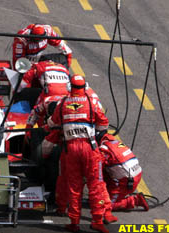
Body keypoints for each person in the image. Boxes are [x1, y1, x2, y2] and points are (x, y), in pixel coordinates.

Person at [44, 75, 110, 233]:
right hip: (90, 148)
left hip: (71, 149)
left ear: (69, 87)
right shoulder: (92, 102)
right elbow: (104, 124)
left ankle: (74, 222)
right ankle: (97, 220)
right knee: (96, 184)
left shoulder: (62, 103)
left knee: (74, 186)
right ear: (85, 87)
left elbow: (52, 123)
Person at [96, 131, 149, 211]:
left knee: (104, 204)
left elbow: (95, 168)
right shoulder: (115, 142)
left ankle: (135, 200)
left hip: (126, 183)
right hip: (135, 175)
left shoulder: (104, 150)